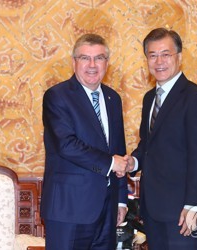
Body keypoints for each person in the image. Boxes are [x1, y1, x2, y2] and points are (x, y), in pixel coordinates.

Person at [128, 27, 197, 249]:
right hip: (153, 208)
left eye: (165, 54)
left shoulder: (196, 97)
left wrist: (194, 205)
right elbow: (148, 145)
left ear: (179, 57)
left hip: (183, 209)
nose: (159, 61)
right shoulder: (150, 98)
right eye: (152, 55)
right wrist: (134, 161)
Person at [41, 33, 129, 250]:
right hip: (68, 210)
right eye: (84, 58)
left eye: (99, 58)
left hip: (107, 210)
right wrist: (110, 163)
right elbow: (66, 145)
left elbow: (118, 149)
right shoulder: (57, 96)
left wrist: (121, 200)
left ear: (107, 64)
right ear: (74, 62)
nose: (92, 65)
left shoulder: (112, 98)